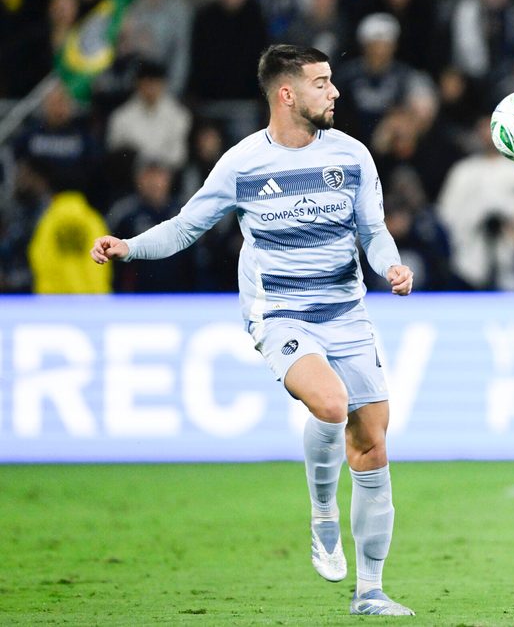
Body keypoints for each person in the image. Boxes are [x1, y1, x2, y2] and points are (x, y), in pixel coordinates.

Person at [90, 45, 416, 616]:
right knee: (331, 404)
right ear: (287, 94)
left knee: (373, 446)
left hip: (345, 312)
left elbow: (373, 229)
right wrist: (129, 247)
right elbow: (187, 226)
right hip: (281, 314)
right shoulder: (243, 163)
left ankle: (370, 591)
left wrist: (389, 263)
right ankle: (322, 512)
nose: (335, 92)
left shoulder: (354, 156)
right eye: (322, 83)